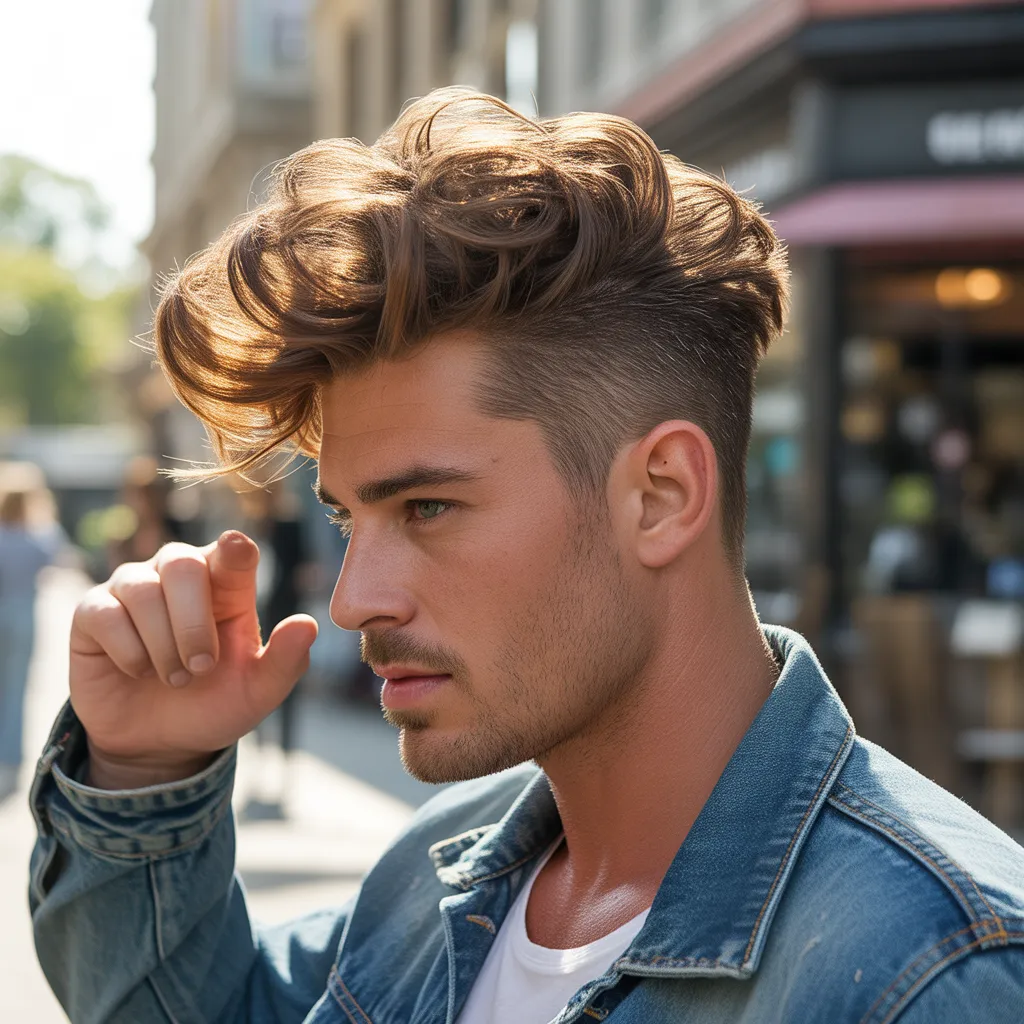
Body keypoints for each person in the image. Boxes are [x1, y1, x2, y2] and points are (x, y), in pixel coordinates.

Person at [29, 90, 1023, 1023]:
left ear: (661, 495)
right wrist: (141, 768)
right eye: (344, 520)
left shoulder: (933, 973)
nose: (352, 603)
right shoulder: (440, 871)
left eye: (427, 506)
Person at [0, 478, 58, 797]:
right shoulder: (37, 537)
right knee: (17, 686)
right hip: (22, 614)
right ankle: (10, 757)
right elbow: (56, 557)